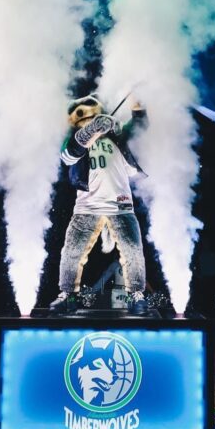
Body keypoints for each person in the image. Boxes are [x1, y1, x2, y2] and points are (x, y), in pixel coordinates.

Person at [51, 94, 149, 316]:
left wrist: (137, 101)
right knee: (72, 252)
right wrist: (92, 129)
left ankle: (136, 294)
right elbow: (68, 155)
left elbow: (140, 127)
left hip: (120, 203)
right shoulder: (75, 139)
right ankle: (68, 294)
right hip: (87, 205)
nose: (86, 115)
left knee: (133, 251)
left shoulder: (118, 134)